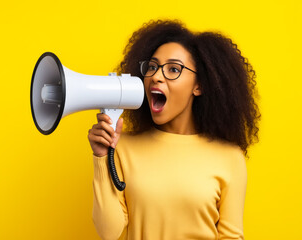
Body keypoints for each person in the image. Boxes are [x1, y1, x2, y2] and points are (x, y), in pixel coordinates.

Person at [88, 19, 260, 240]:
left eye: (173, 69)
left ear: (199, 85)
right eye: (152, 67)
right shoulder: (122, 148)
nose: (156, 77)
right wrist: (102, 157)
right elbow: (109, 233)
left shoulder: (230, 157)